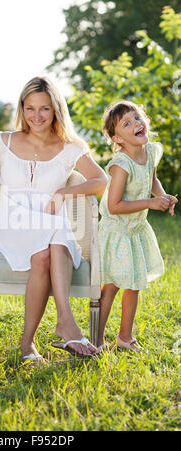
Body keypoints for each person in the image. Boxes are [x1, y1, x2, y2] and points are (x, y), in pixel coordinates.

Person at [0, 76, 107, 361]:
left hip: (48, 228)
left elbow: (101, 181)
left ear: (55, 110)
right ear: (22, 108)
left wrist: (64, 192)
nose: (36, 116)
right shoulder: (5, 141)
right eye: (30, 108)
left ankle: (27, 344)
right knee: (57, 229)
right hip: (12, 225)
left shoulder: (70, 147)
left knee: (43, 254)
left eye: (44, 109)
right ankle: (66, 321)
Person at [97, 100, 178, 351]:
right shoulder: (121, 165)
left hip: (135, 229)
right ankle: (96, 339)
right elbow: (114, 206)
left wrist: (162, 197)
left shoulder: (150, 152)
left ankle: (124, 337)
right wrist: (149, 204)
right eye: (127, 123)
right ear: (117, 138)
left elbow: (152, 180)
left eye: (138, 118)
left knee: (134, 284)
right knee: (111, 285)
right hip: (118, 231)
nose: (136, 124)